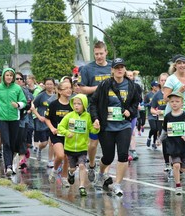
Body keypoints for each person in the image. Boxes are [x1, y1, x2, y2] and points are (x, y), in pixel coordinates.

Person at [90, 58, 139, 196]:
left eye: (122, 67)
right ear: (112, 70)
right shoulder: (104, 85)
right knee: (108, 157)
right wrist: (95, 119)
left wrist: (131, 111)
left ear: (124, 69)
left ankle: (117, 184)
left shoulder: (132, 86)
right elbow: (93, 103)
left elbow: (136, 103)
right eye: (117, 67)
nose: (119, 69)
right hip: (107, 127)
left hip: (124, 126)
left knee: (123, 155)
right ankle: (101, 173)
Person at [80, 41, 112, 184]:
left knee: (109, 144)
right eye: (96, 54)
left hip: (111, 109)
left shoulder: (113, 67)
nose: (99, 56)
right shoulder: (87, 69)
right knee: (93, 143)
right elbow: (82, 89)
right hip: (94, 110)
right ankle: (92, 165)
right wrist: (100, 88)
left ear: (106, 52)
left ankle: (105, 172)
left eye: (101, 53)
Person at [0, 68, 27, 176]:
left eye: (11, 75)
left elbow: (23, 102)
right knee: (6, 142)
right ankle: (8, 166)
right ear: (4, 76)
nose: (9, 77)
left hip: (15, 118)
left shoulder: (17, 88)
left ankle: (11, 163)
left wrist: (18, 105)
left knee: (13, 143)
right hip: (2, 118)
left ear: (13, 77)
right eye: (7, 75)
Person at [163, 54, 185, 180]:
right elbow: (166, 98)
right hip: (174, 115)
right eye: (179, 63)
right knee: (175, 141)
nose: (182, 65)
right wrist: (179, 92)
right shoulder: (171, 79)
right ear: (175, 65)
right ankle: (175, 166)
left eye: (184, 63)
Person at [58, 94, 100, 196]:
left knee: (82, 166)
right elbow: (60, 127)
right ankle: (71, 173)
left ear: (84, 105)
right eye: (75, 103)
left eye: (79, 104)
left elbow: (92, 130)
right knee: (73, 168)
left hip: (82, 147)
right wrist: (67, 133)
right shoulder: (69, 116)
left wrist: (97, 128)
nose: (76, 106)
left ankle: (81, 186)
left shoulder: (88, 117)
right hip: (70, 148)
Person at [157, 91, 185, 195]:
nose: (174, 103)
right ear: (169, 103)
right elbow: (164, 131)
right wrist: (160, 140)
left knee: (183, 168)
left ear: (182, 103)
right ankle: (178, 186)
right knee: (176, 165)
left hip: (183, 146)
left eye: (177, 101)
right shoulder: (168, 116)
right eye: (172, 101)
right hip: (172, 146)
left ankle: (179, 174)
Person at [45, 81, 73, 188]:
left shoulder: (72, 105)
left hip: (68, 134)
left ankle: (64, 177)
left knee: (67, 158)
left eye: (70, 88)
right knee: (60, 155)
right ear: (60, 91)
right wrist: (52, 128)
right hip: (56, 134)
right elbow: (47, 119)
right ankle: (55, 170)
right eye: (66, 88)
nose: (69, 90)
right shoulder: (53, 104)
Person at [150, 72, 170, 170]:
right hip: (161, 121)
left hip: (172, 120)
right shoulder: (157, 95)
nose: (163, 82)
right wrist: (156, 112)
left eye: (165, 80)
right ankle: (167, 163)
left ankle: (175, 161)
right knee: (165, 142)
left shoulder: (172, 92)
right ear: (159, 82)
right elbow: (152, 109)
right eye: (162, 80)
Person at [15, 72, 34, 170]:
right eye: (16, 79)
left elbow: (30, 103)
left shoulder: (26, 92)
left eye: (20, 79)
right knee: (14, 140)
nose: (18, 81)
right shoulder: (8, 91)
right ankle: (11, 163)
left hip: (24, 118)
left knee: (23, 139)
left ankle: (22, 160)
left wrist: (28, 109)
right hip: (10, 119)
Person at [126, 70, 142, 160]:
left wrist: (139, 104)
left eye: (131, 75)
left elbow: (140, 99)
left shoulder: (137, 87)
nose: (129, 77)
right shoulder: (122, 86)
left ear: (133, 77)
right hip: (124, 113)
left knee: (132, 132)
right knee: (125, 132)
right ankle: (126, 150)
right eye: (127, 75)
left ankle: (133, 150)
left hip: (134, 113)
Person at [144, 80, 160, 149]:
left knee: (156, 129)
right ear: (152, 87)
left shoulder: (160, 94)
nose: (156, 87)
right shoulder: (148, 95)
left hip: (158, 114)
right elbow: (144, 104)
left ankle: (154, 143)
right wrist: (150, 103)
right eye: (155, 86)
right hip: (151, 114)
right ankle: (149, 137)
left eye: (157, 86)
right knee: (153, 128)